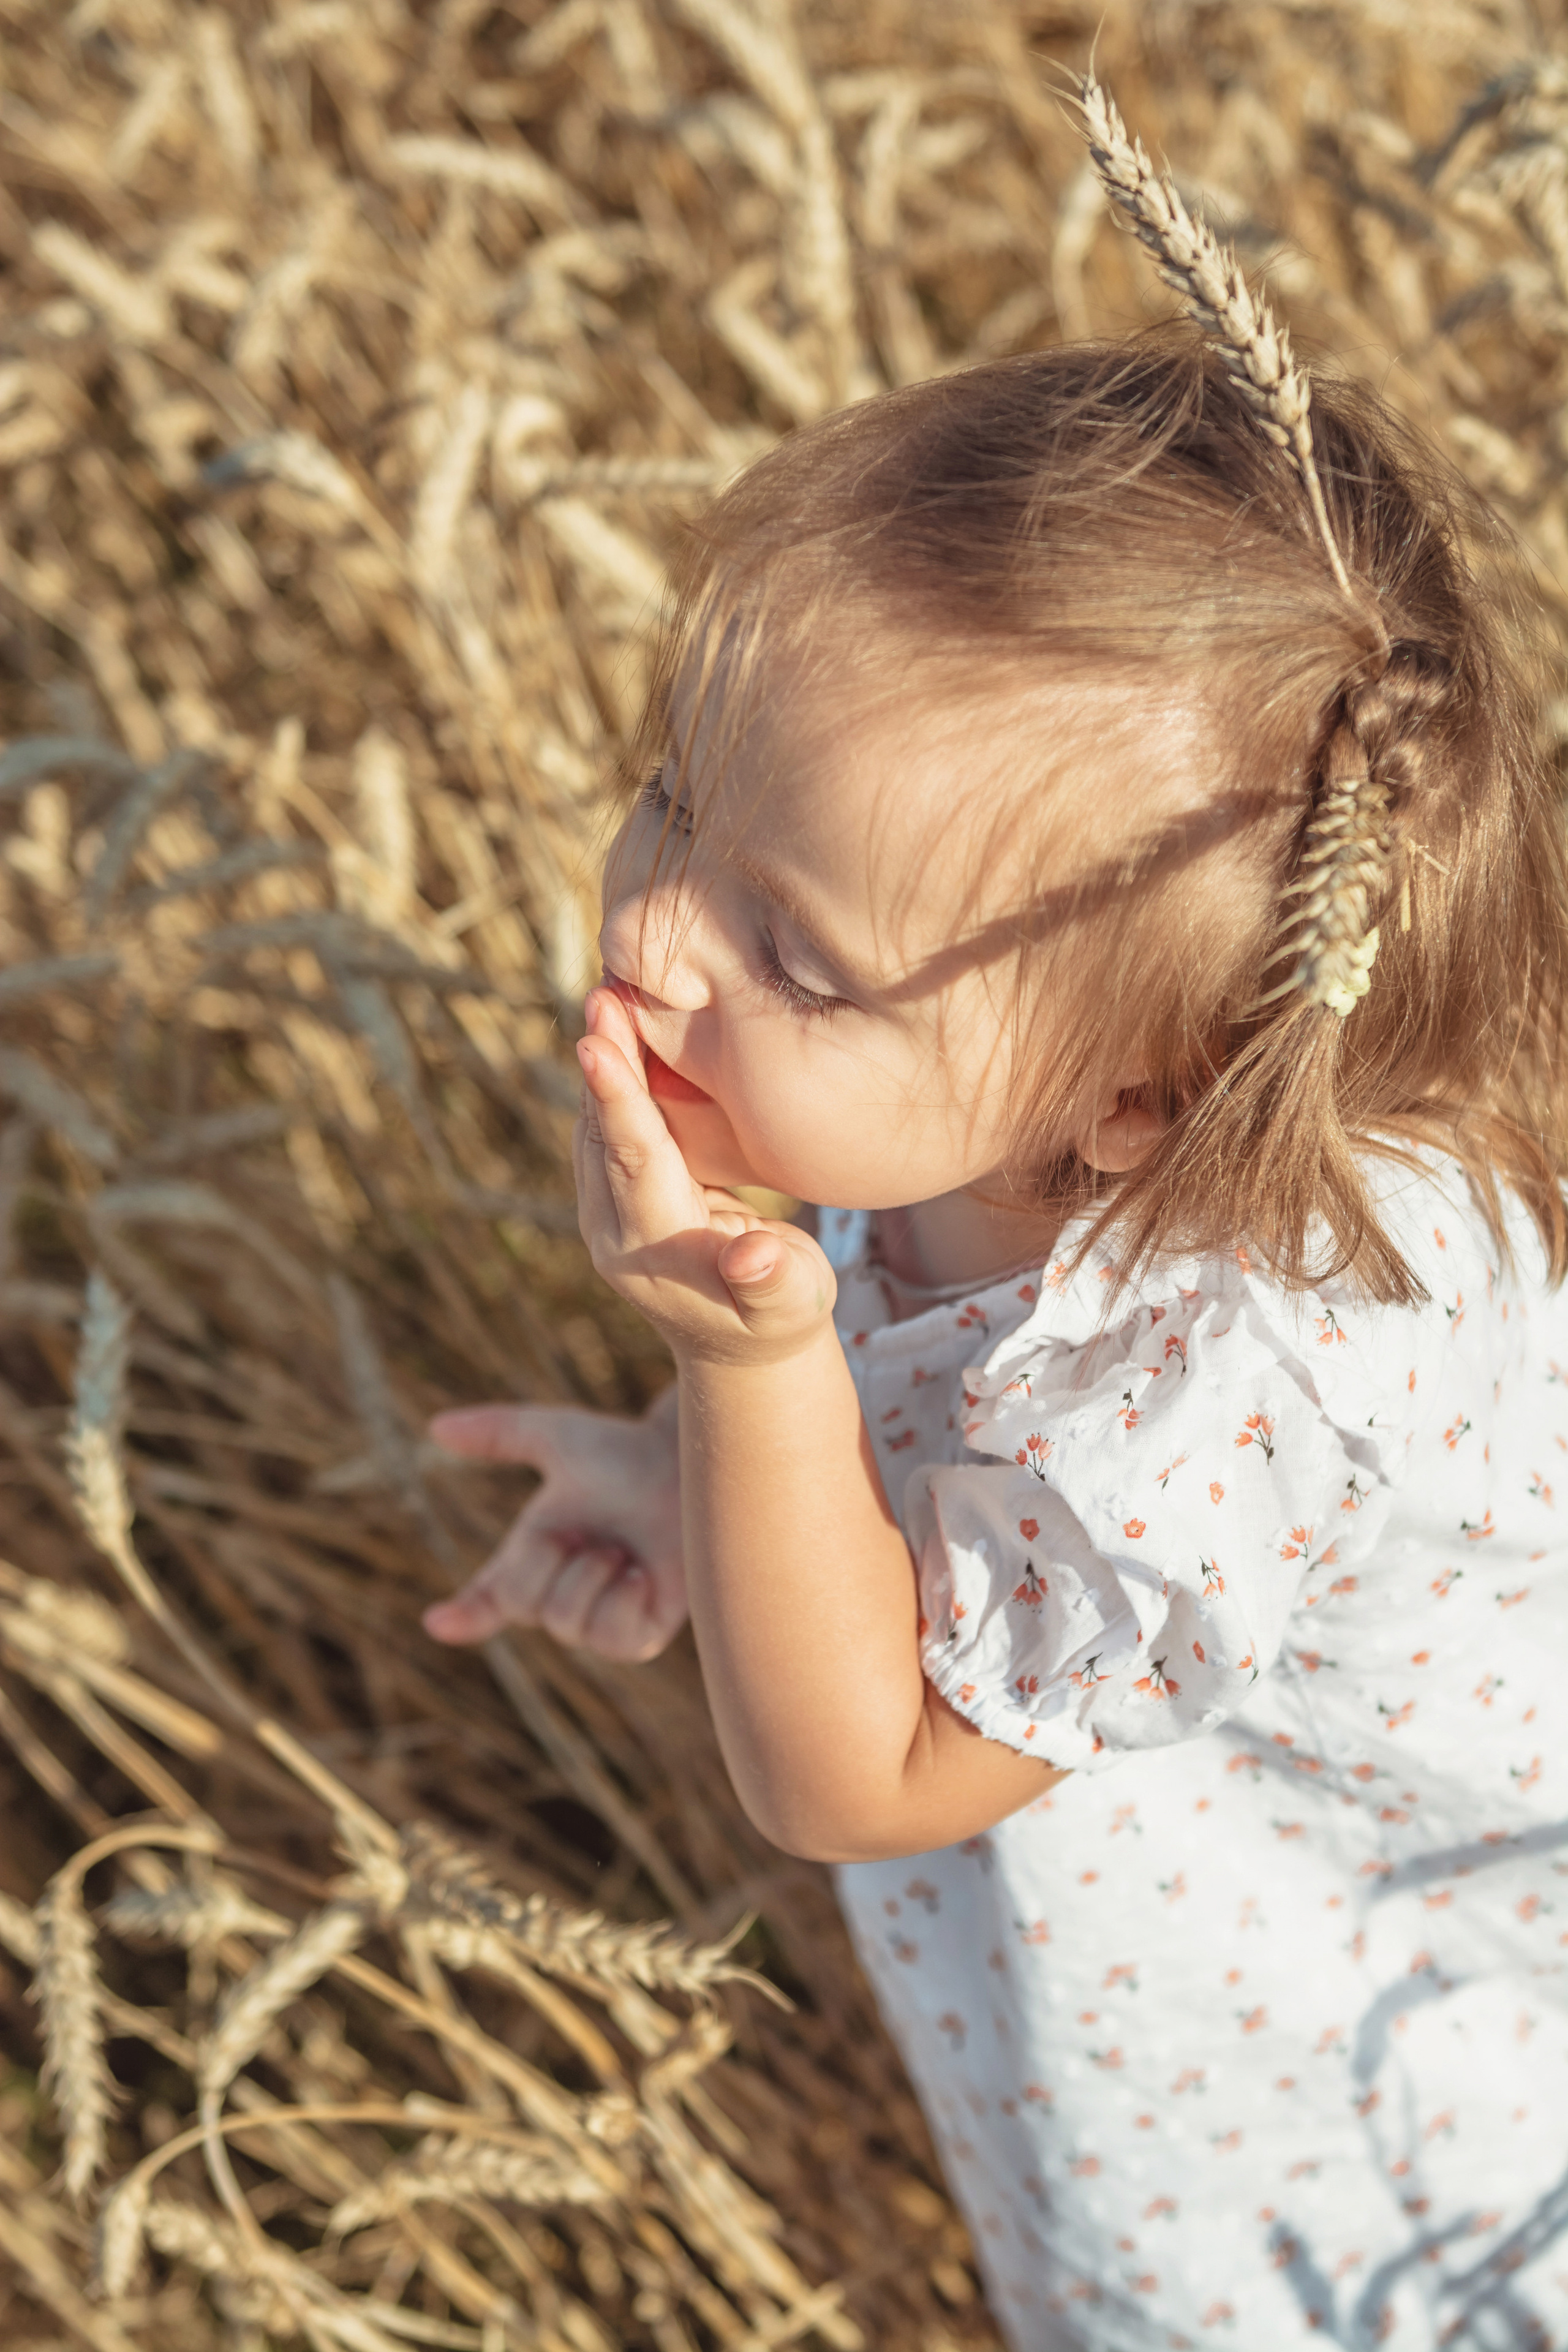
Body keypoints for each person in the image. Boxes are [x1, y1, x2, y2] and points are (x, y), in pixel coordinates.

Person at [424, 337, 1568, 2351]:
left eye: (789, 949)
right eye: (673, 792)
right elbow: (907, 1362)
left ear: (1138, 1105)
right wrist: (707, 1492)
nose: (651, 931)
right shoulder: (987, 1101)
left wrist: (743, 1385)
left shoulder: (1237, 1371)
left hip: (1322, 2046)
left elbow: (862, 1771)